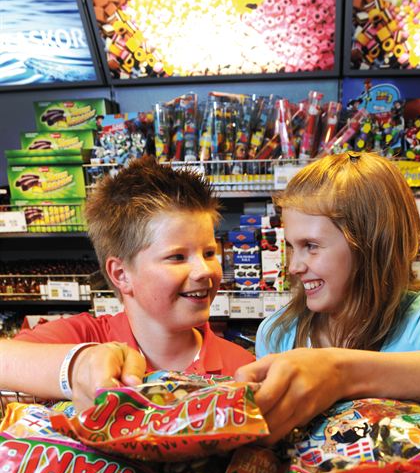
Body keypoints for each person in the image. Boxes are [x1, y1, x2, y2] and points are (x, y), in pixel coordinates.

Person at [236, 152, 420, 443]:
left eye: (311, 246)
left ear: (371, 245)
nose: (294, 267)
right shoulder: (278, 333)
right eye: (291, 246)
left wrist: (341, 373)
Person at [0, 156, 253, 411]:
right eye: (177, 257)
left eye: (209, 253)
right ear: (121, 274)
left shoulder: (240, 368)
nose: (204, 270)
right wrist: (77, 366)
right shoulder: (85, 337)